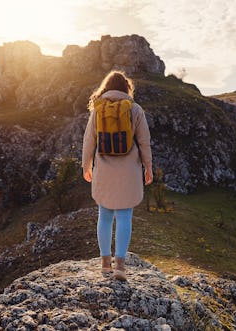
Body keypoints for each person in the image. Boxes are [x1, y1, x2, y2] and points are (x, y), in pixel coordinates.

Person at [82, 70, 153, 281]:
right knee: (124, 217)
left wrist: (86, 165)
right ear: (126, 88)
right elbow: (144, 141)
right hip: (129, 171)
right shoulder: (135, 109)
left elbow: (89, 140)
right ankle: (120, 266)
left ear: (106, 87)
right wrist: (148, 166)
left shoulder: (98, 109)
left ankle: (105, 263)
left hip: (104, 169)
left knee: (104, 216)